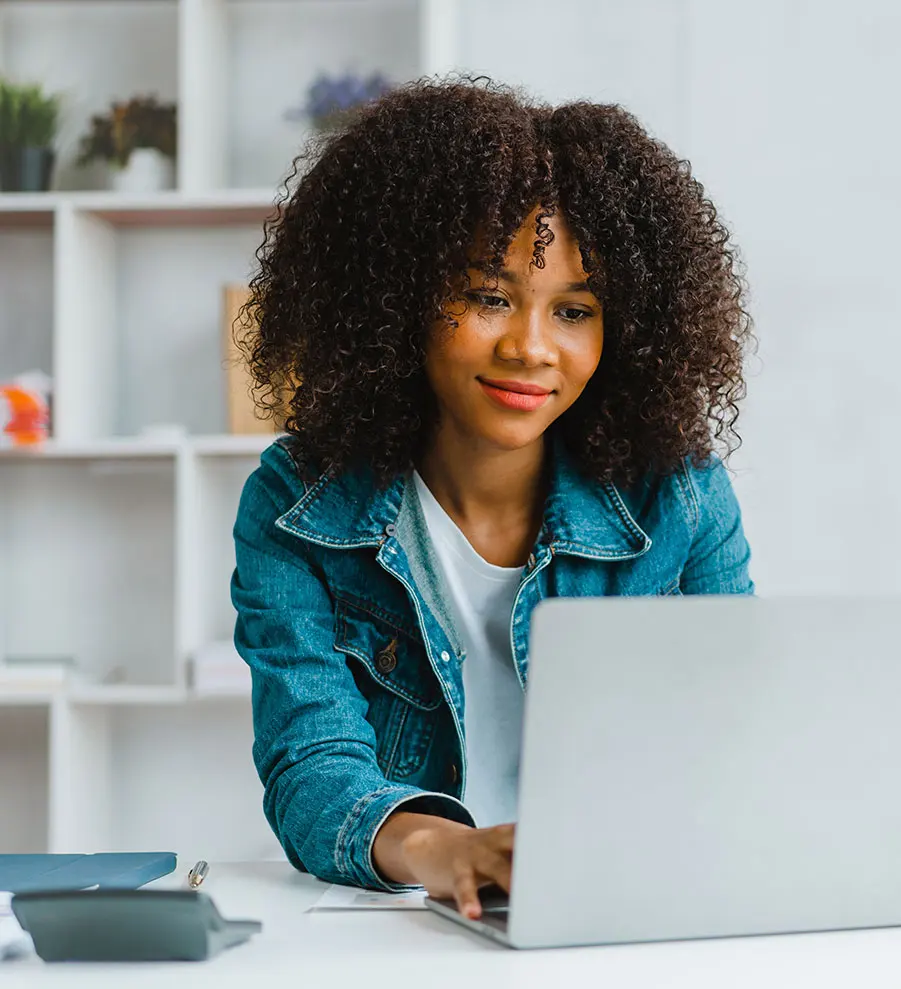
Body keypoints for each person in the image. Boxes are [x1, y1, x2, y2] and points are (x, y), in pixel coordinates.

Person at [230, 77, 753, 919]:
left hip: (626, 908)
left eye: (576, 310)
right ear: (397, 296)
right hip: (405, 919)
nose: (531, 348)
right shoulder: (300, 505)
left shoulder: (680, 498)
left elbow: (736, 730)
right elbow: (314, 766)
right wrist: (449, 851)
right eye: (489, 296)